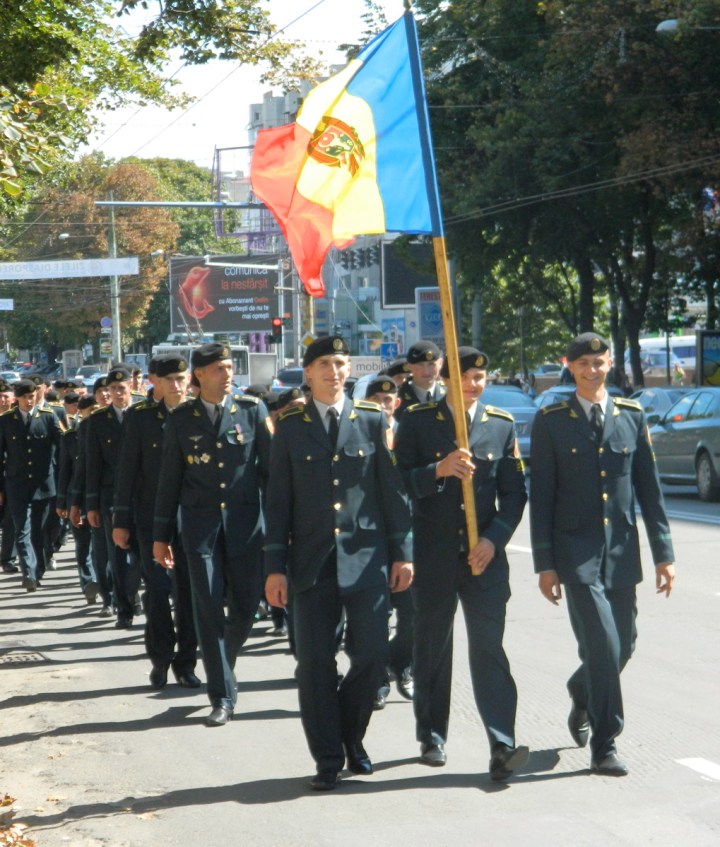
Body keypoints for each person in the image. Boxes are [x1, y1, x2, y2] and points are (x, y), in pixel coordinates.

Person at [264, 335, 413, 791]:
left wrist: (402, 553)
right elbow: (278, 501)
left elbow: (391, 493)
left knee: (372, 657)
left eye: (341, 363)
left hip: (366, 559)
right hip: (311, 562)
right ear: (308, 373)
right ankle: (328, 758)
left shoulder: (370, 419)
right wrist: (274, 567)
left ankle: (351, 735)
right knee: (314, 665)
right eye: (325, 364)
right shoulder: (290, 426)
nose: (334, 372)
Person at [529, 331, 675, 777]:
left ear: (610, 364)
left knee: (622, 645)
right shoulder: (551, 420)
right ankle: (605, 743)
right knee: (602, 643)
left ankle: (582, 690)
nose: (592, 370)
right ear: (569, 366)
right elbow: (542, 497)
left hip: (621, 550)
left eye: (599, 362)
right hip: (575, 554)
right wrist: (545, 564)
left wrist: (664, 554)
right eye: (584, 364)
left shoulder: (631, 415)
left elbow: (649, 491)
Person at [395, 346, 529, 781]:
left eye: (480, 378)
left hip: (482, 559)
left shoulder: (500, 425)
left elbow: (514, 494)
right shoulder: (418, 421)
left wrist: (493, 539)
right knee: (433, 647)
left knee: (489, 649)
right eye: (466, 377)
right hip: (434, 556)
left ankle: (502, 745)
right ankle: (432, 735)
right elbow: (397, 482)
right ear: (447, 379)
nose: (474, 384)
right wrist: (438, 469)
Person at [153, 342, 271, 727]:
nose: (227, 374)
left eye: (229, 367)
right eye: (219, 369)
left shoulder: (252, 411)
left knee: (245, 609)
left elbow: (270, 475)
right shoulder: (181, 419)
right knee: (207, 610)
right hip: (200, 529)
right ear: (199, 376)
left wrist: (279, 529)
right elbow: (169, 480)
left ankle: (223, 660)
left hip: (246, 527)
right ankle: (222, 695)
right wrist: (160, 535)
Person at [114, 354, 200, 690]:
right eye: (170, 381)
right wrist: (121, 520)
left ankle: (186, 662)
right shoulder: (141, 417)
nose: (178, 386)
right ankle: (161, 658)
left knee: (189, 593)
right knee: (158, 591)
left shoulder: (198, 414)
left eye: (182, 379)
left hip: (190, 518)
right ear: (155, 382)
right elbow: (127, 470)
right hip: (150, 519)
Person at [364, 375, 415, 708]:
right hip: (371, 536)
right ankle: (378, 679)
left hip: (408, 534)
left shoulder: (408, 434)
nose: (383, 405)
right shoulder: (358, 432)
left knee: (412, 612)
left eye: (388, 400)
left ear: (396, 403)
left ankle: (402, 663)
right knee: (375, 615)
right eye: (376, 400)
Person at [85, 366, 141, 628]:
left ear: (132, 387)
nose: (118, 393)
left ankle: (134, 593)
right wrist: (91, 505)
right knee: (116, 554)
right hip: (112, 497)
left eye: (122, 388)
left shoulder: (143, 414)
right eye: (113, 389)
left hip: (142, 495)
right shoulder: (98, 421)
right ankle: (124, 608)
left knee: (141, 554)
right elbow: (92, 465)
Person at [0, 379, 63, 591]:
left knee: (39, 531)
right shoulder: (6, 420)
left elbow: (62, 446)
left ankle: (38, 570)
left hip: (43, 485)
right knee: (22, 529)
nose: (29, 401)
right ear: (17, 398)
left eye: (32, 397)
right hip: (16, 485)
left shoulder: (48, 417)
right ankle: (28, 572)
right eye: (25, 397)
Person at [396, 340, 445, 419]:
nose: (426, 371)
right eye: (420, 365)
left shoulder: (450, 394)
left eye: (431, 364)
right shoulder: (397, 396)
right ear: (409, 366)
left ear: (440, 363)